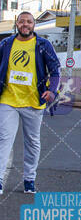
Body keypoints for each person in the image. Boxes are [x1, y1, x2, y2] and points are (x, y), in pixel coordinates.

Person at [0, 11, 60, 194]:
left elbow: (55, 71)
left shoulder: (43, 45)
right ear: (16, 24)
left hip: (34, 102)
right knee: (4, 140)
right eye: (21, 21)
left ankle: (29, 180)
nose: (25, 24)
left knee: (32, 142)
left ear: (34, 25)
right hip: (8, 100)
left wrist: (52, 90)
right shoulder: (5, 44)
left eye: (29, 22)